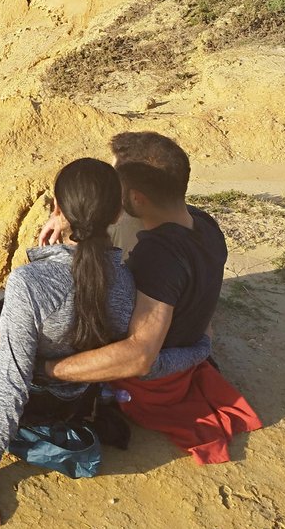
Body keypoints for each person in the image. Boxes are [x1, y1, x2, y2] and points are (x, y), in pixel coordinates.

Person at [0, 158, 209, 529]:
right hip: (68, 401)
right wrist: (199, 349)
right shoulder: (123, 285)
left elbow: (11, 384)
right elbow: (144, 360)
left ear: (57, 208)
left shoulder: (29, 283)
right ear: (118, 214)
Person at [36, 132, 261, 463]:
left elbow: (140, 356)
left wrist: (49, 369)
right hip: (184, 347)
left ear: (136, 199)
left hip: (152, 387)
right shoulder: (203, 224)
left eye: (116, 186)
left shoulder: (158, 259)